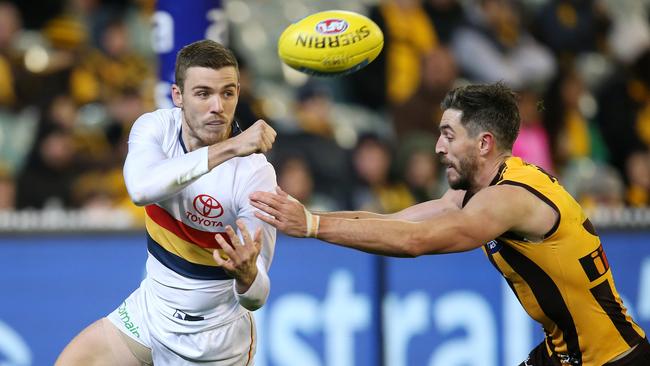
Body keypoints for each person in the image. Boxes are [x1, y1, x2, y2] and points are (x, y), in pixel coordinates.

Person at [250, 83, 650, 365]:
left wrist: (314, 226)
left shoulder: (508, 199)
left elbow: (415, 240)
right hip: (566, 352)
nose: (438, 147)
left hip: (613, 358)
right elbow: (393, 222)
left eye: (447, 134)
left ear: (483, 143)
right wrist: (306, 215)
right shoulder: (486, 187)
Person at [56, 39, 278, 365]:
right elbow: (141, 189)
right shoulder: (156, 127)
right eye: (203, 94)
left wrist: (246, 277)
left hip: (211, 340)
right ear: (178, 96)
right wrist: (230, 148)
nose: (217, 105)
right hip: (149, 312)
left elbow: (258, 296)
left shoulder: (255, 174)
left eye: (227, 93)